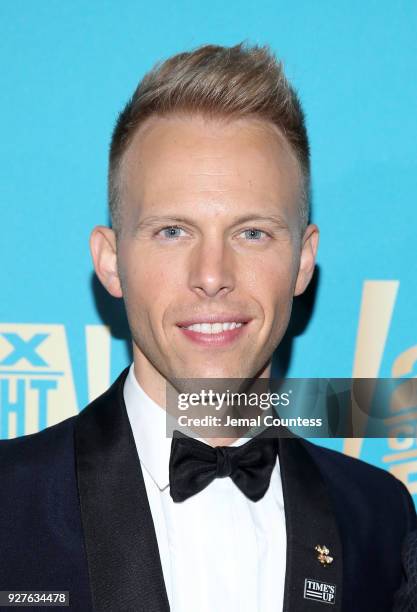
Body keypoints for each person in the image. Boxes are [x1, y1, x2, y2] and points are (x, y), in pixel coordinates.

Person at [0, 43, 415, 612]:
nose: (212, 276)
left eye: (252, 233)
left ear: (302, 260)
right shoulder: (8, 501)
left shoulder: (380, 521)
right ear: (111, 261)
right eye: (173, 231)